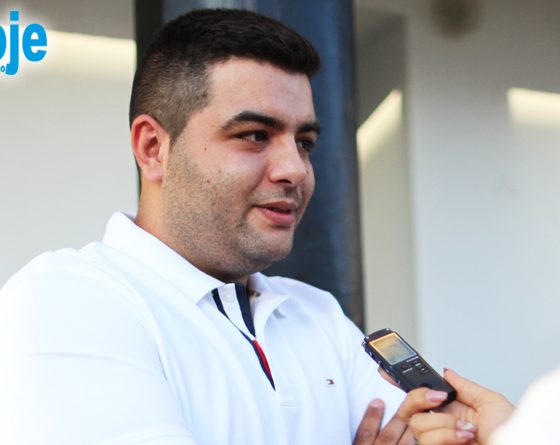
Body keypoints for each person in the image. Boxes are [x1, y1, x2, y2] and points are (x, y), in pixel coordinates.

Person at [0, 8, 438, 444]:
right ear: (153, 148)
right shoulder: (65, 298)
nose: (295, 169)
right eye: (255, 135)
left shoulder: (318, 314)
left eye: (304, 143)